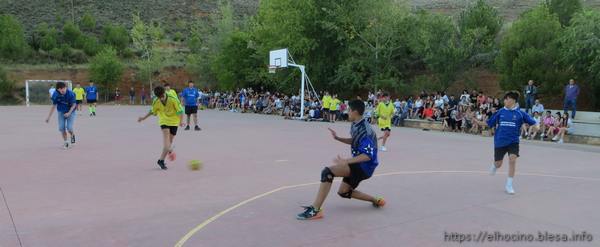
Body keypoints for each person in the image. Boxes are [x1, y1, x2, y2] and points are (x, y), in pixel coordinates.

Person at [296, 100, 385, 220]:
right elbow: (354, 141)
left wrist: (346, 161)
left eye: (349, 110)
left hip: (364, 167)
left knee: (327, 172)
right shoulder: (355, 124)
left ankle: (315, 210)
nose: (347, 112)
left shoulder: (365, 130)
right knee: (344, 192)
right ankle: (376, 200)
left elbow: (367, 156)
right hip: (358, 164)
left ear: (355, 112)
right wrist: (337, 138)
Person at [476, 91, 536, 195]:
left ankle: (509, 185)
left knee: (512, 160)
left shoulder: (520, 113)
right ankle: (495, 165)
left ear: (512, 100)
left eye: (506, 99)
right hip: (500, 141)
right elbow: (489, 123)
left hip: (513, 142)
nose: (504, 101)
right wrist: (477, 121)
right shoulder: (500, 112)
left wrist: (536, 126)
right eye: (504, 99)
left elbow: (533, 123)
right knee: (498, 164)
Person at [137, 86, 185, 170]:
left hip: (174, 121)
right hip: (164, 121)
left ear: (164, 93)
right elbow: (152, 111)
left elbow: (180, 111)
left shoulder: (173, 98)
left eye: (162, 96)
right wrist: (143, 118)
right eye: (159, 97)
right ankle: (163, 158)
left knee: (169, 142)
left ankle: (164, 155)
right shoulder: (156, 101)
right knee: (166, 142)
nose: (161, 99)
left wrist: (181, 121)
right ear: (157, 96)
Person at [45, 81, 77, 149]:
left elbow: (74, 105)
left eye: (63, 88)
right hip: (61, 112)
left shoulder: (71, 94)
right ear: (58, 89)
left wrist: (69, 113)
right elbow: (53, 106)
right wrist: (49, 117)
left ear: (66, 87)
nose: (62, 90)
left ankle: (72, 135)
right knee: (61, 128)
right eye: (60, 89)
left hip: (71, 112)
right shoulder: (55, 94)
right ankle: (66, 142)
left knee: (69, 128)